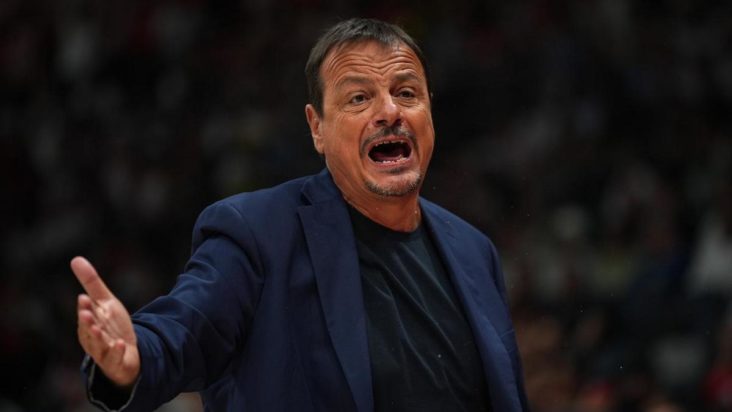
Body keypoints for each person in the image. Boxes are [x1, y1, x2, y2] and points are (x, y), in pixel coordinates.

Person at [72, 18, 529, 411]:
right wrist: (134, 357)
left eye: (406, 92)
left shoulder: (475, 252)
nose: (389, 111)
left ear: (430, 111)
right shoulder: (258, 232)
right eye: (358, 99)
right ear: (317, 128)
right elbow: (186, 330)